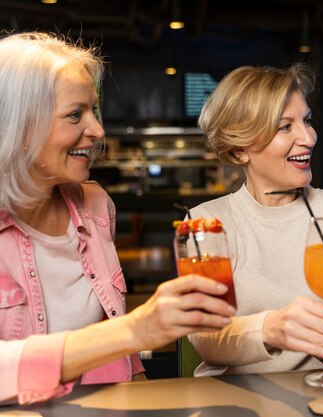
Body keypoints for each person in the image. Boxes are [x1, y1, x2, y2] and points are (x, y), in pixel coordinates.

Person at [0, 32, 236, 405]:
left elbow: (122, 359)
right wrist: (136, 329)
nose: (97, 131)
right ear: (18, 125)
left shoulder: (96, 206)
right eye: (75, 114)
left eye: (93, 111)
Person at [188, 64, 323, 375]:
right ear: (239, 150)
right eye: (284, 127)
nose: (309, 138)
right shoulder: (206, 223)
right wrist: (273, 328)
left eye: (307, 121)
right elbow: (208, 338)